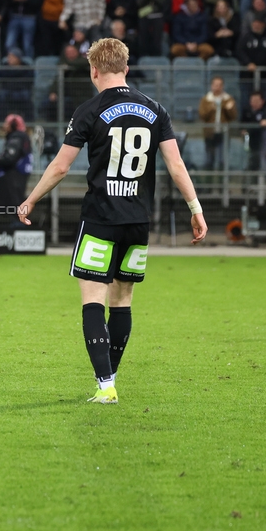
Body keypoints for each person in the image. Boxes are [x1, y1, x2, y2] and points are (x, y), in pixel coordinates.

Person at [18, 38, 207, 404]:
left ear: (94, 71)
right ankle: (110, 379)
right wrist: (195, 208)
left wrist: (30, 200)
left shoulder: (89, 110)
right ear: (126, 68)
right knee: (123, 301)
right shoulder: (156, 110)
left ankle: (105, 385)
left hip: (101, 218)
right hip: (138, 220)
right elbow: (176, 165)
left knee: (93, 300)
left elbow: (60, 167)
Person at [198, 76, 237, 170]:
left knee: (222, 159)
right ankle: (209, 182)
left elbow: (233, 117)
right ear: (211, 86)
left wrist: (229, 109)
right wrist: (210, 109)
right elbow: (202, 115)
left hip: (224, 133)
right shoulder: (206, 99)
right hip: (210, 133)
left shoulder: (228, 99)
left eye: (219, 85)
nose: (217, 87)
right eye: (215, 85)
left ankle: (222, 182)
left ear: (222, 86)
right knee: (209, 159)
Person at [241, 90, 266, 172]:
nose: (254, 103)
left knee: (264, 158)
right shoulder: (247, 110)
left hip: (263, 140)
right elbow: (242, 123)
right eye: (252, 101)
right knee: (251, 160)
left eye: (257, 101)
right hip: (251, 140)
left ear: (262, 101)